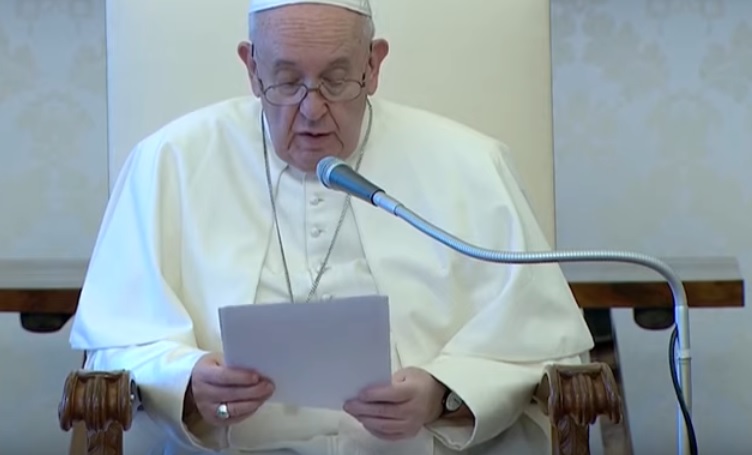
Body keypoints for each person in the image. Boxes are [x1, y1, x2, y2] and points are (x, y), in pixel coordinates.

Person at [69, 0, 594, 454]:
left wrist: (446, 392)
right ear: (251, 68)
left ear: (375, 64)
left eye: (337, 79)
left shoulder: (472, 164)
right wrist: (186, 382)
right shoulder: (168, 162)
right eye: (286, 80)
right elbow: (114, 347)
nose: (313, 109)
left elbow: (544, 344)